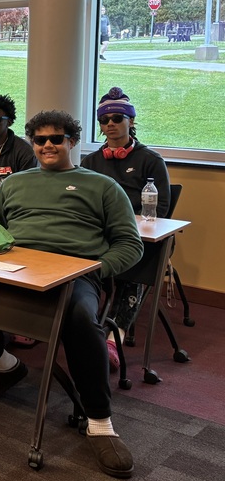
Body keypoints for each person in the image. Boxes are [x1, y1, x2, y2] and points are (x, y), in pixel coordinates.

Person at [0, 109, 143, 479]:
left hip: (75, 274)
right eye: (40, 140)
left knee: (82, 320)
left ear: (72, 142)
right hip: (13, 269)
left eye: (57, 139)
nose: (48, 145)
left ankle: (99, 421)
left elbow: (130, 245)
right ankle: (3, 363)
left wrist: (94, 270)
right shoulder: (15, 183)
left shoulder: (102, 186)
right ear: (32, 143)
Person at [81, 87, 171, 369]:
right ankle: (78, 322)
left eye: (118, 118)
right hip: (99, 233)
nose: (110, 124)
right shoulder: (91, 162)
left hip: (141, 237)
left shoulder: (150, 160)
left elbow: (163, 209)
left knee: (134, 262)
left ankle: (114, 337)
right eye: (105, 120)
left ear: (131, 122)